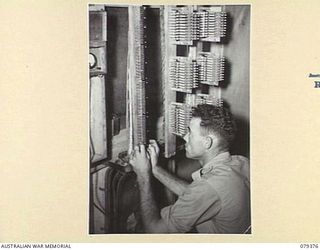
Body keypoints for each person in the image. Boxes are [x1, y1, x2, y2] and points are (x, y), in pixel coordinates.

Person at [129, 104, 250, 233]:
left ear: (207, 142)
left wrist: (143, 175)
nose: (185, 137)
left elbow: (154, 231)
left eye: (190, 133)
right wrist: (155, 169)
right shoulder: (241, 162)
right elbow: (199, 195)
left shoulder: (207, 188)